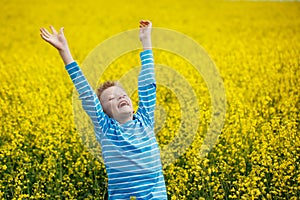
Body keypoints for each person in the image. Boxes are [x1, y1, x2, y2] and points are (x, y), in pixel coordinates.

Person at [40, 20, 168, 200]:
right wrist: (64, 52)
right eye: (111, 98)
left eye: (122, 94)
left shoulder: (145, 120)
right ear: (104, 112)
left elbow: (148, 83)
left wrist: (146, 41)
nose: (120, 97)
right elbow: (86, 93)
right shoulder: (106, 129)